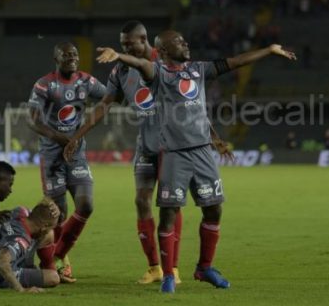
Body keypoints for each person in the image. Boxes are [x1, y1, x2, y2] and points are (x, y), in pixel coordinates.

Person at [96, 30, 297, 293]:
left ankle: (204, 268)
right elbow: (142, 64)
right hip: (174, 153)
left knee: (214, 209)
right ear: (165, 51)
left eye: (184, 40)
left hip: (202, 151)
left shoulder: (198, 69)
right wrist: (119, 55)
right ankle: (168, 275)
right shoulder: (159, 74)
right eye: (179, 42)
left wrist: (269, 49)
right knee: (169, 212)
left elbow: (235, 61)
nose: (186, 43)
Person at [65, 21, 232, 284]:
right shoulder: (120, 71)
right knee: (142, 201)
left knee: (171, 206)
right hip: (147, 145)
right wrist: (77, 135)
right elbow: (105, 105)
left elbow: (194, 105)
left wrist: (214, 138)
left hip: (174, 148)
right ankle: (155, 266)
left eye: (128, 44)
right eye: (122, 45)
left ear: (144, 40)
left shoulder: (169, 63)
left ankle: (172, 269)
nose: (125, 48)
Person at [27, 42, 107, 282]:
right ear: (56, 58)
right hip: (52, 156)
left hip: (76, 155)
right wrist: (61, 138)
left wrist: (81, 133)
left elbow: (111, 96)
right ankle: (60, 263)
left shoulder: (87, 81)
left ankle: (59, 253)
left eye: (74, 54)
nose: (71, 58)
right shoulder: (44, 84)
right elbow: (33, 121)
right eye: (65, 55)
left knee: (86, 205)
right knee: (58, 214)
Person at [0, 198, 61, 292]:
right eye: (49, 228)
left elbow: (39, 214)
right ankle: (28, 270)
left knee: (49, 235)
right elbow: (0, 262)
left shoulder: (20, 212)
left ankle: (38, 267)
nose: (47, 231)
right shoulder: (21, 240)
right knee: (53, 277)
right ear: (44, 227)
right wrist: (21, 289)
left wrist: (50, 207)